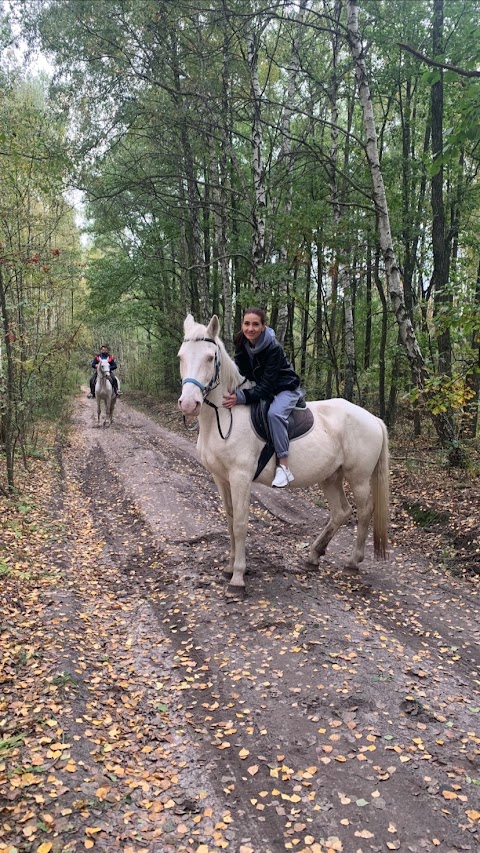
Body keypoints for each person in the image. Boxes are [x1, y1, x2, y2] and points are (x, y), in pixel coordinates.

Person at [223, 307, 303, 488]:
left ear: (263, 326)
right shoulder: (242, 342)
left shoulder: (273, 348)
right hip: (260, 386)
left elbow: (267, 386)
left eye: (255, 324)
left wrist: (242, 397)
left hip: (283, 388)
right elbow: (240, 371)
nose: (250, 328)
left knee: (275, 414)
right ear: (242, 325)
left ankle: (283, 466)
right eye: (246, 324)